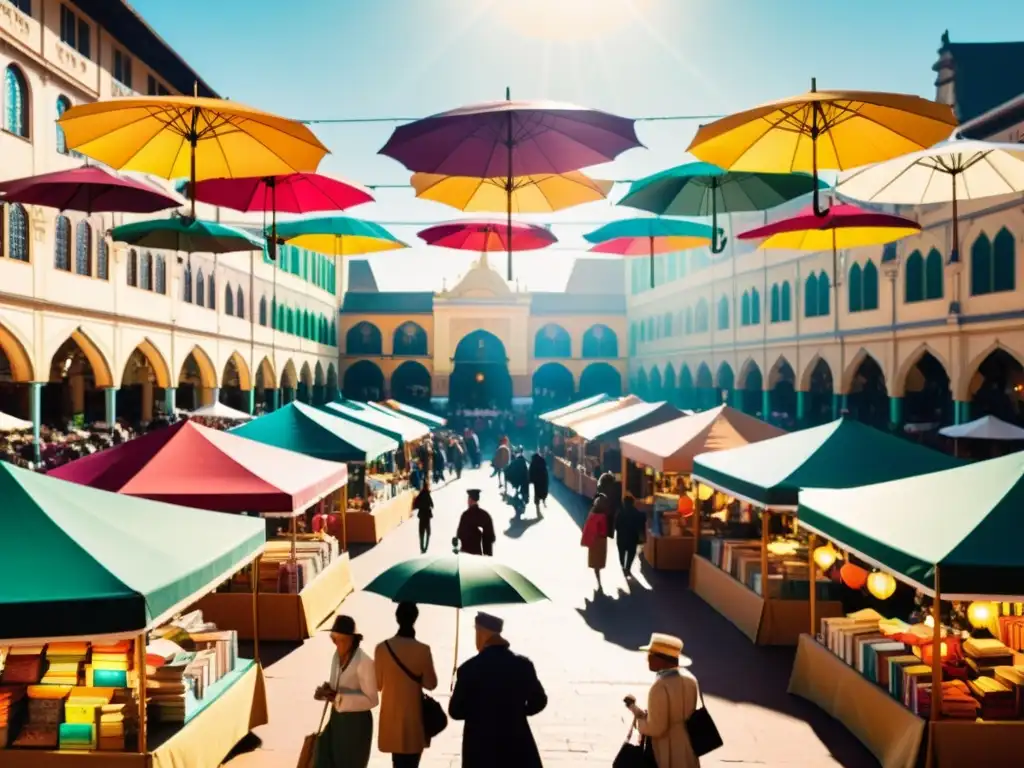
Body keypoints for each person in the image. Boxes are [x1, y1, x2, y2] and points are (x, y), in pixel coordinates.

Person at [449, 612, 547, 768]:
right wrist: (517, 711)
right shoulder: (523, 665)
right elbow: (540, 700)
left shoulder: (468, 669)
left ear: (481, 632)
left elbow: (455, 711)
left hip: (480, 749)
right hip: (516, 745)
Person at [374, 602, 439, 768]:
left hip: (391, 719)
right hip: (414, 720)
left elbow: (377, 684)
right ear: (415, 619)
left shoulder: (382, 649)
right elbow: (431, 684)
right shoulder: (423, 650)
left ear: (397, 618)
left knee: (397, 762)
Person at [624, 633, 701, 768]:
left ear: (663, 660)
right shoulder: (691, 680)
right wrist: (637, 710)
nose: (647, 659)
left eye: (651, 655)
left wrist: (639, 723)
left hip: (667, 751)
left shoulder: (659, 687)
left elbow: (657, 728)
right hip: (688, 748)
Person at [314, 616, 379, 768]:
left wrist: (339, 697)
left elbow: (373, 699)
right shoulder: (336, 657)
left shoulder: (364, 662)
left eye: (341, 640)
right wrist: (326, 691)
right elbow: (336, 684)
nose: (337, 644)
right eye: (335, 640)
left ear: (352, 640)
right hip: (337, 721)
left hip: (356, 726)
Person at [581, 494, 609, 590]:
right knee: (599, 560)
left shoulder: (592, 513)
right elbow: (604, 530)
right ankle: (598, 579)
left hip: (593, 540)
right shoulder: (603, 516)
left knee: (595, 561)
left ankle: (597, 577)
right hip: (600, 540)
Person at [456, 489, 496, 556]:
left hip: (465, 553)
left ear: (470, 500)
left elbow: (459, 534)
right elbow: (490, 537)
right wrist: (487, 555)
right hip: (478, 555)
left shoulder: (465, 515)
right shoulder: (485, 515)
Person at [615, 494, 646, 577]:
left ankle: (623, 566)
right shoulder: (637, 513)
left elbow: (616, 526)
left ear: (624, 503)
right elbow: (640, 525)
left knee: (621, 553)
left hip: (621, 537)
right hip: (632, 537)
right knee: (631, 554)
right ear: (633, 503)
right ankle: (628, 568)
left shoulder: (620, 513)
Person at [413, 480, 434, 554]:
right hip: (427, 516)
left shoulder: (421, 494)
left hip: (422, 515)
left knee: (421, 532)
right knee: (428, 532)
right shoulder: (428, 494)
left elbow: (415, 504)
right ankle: (425, 548)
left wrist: (420, 506)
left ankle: (422, 547)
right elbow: (432, 505)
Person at [528, 452, 548, 518]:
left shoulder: (533, 462)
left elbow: (531, 472)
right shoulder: (542, 461)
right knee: (543, 492)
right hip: (543, 480)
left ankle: (538, 508)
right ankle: (544, 501)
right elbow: (545, 471)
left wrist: (530, 480)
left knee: (537, 494)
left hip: (537, 482)